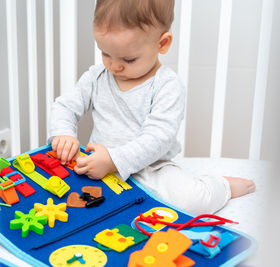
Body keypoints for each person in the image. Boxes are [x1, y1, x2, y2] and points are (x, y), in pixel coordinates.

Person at [48, 0, 255, 214]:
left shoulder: (166, 85)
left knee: (191, 202)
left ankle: (222, 186)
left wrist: (114, 160)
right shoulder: (97, 76)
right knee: (64, 193)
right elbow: (65, 106)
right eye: (105, 53)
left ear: (162, 44)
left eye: (128, 59)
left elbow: (158, 138)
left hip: (151, 168)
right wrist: (63, 133)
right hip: (99, 166)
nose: (114, 65)